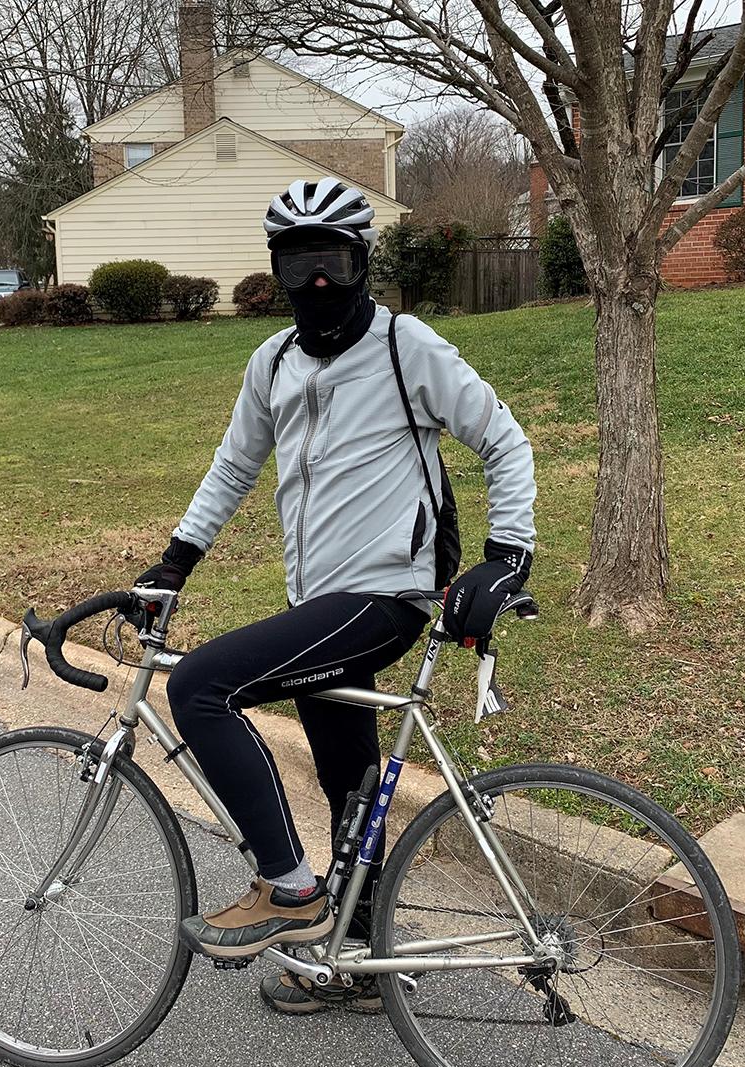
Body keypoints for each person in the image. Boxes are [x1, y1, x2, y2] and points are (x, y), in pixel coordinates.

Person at [136, 177, 536, 1014]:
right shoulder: (272, 362)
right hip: (316, 601)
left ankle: (289, 891)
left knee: (199, 686)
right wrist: (174, 562)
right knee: (349, 780)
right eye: (298, 262)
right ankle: (356, 958)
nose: (318, 281)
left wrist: (505, 557)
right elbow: (234, 466)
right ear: (278, 271)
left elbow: (502, 438)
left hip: (386, 596)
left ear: (362, 263)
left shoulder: (404, 347)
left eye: (335, 259)